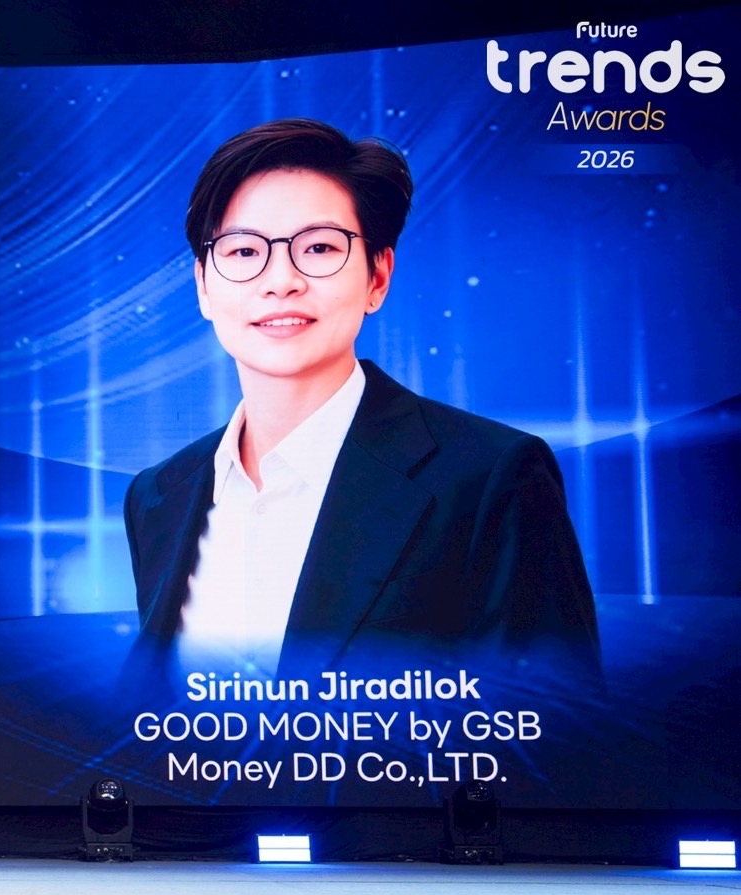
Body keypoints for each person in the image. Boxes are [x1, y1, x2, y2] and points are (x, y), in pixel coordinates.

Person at [123, 118, 600, 692]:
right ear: (203, 284)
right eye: (244, 250)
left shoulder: (490, 477)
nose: (281, 280)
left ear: (377, 276)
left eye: (319, 247)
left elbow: (553, 729)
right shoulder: (158, 496)